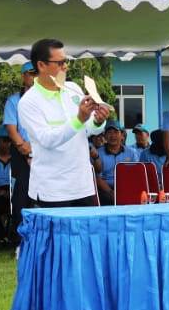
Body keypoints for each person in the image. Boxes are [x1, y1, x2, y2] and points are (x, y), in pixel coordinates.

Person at [17, 38, 110, 207]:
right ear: (41, 65)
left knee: (86, 234)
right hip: (52, 190)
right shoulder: (28, 102)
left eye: (65, 61)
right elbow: (47, 140)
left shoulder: (73, 88)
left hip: (83, 185)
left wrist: (97, 121)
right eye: (59, 63)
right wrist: (79, 119)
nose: (65, 66)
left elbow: (87, 130)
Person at [3, 63, 35, 237]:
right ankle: (21, 239)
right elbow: (11, 129)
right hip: (21, 152)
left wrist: (36, 152)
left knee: (45, 196)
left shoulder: (48, 99)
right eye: (30, 74)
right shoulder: (14, 100)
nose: (34, 77)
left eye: (36, 73)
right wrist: (26, 150)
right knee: (22, 197)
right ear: (23, 77)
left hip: (44, 154)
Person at [93, 122, 139, 205]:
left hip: (126, 187)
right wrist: (111, 192)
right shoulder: (98, 153)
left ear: (122, 136)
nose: (113, 136)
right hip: (106, 189)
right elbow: (98, 178)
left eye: (116, 132)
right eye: (109, 132)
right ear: (105, 136)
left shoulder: (132, 153)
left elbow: (135, 175)